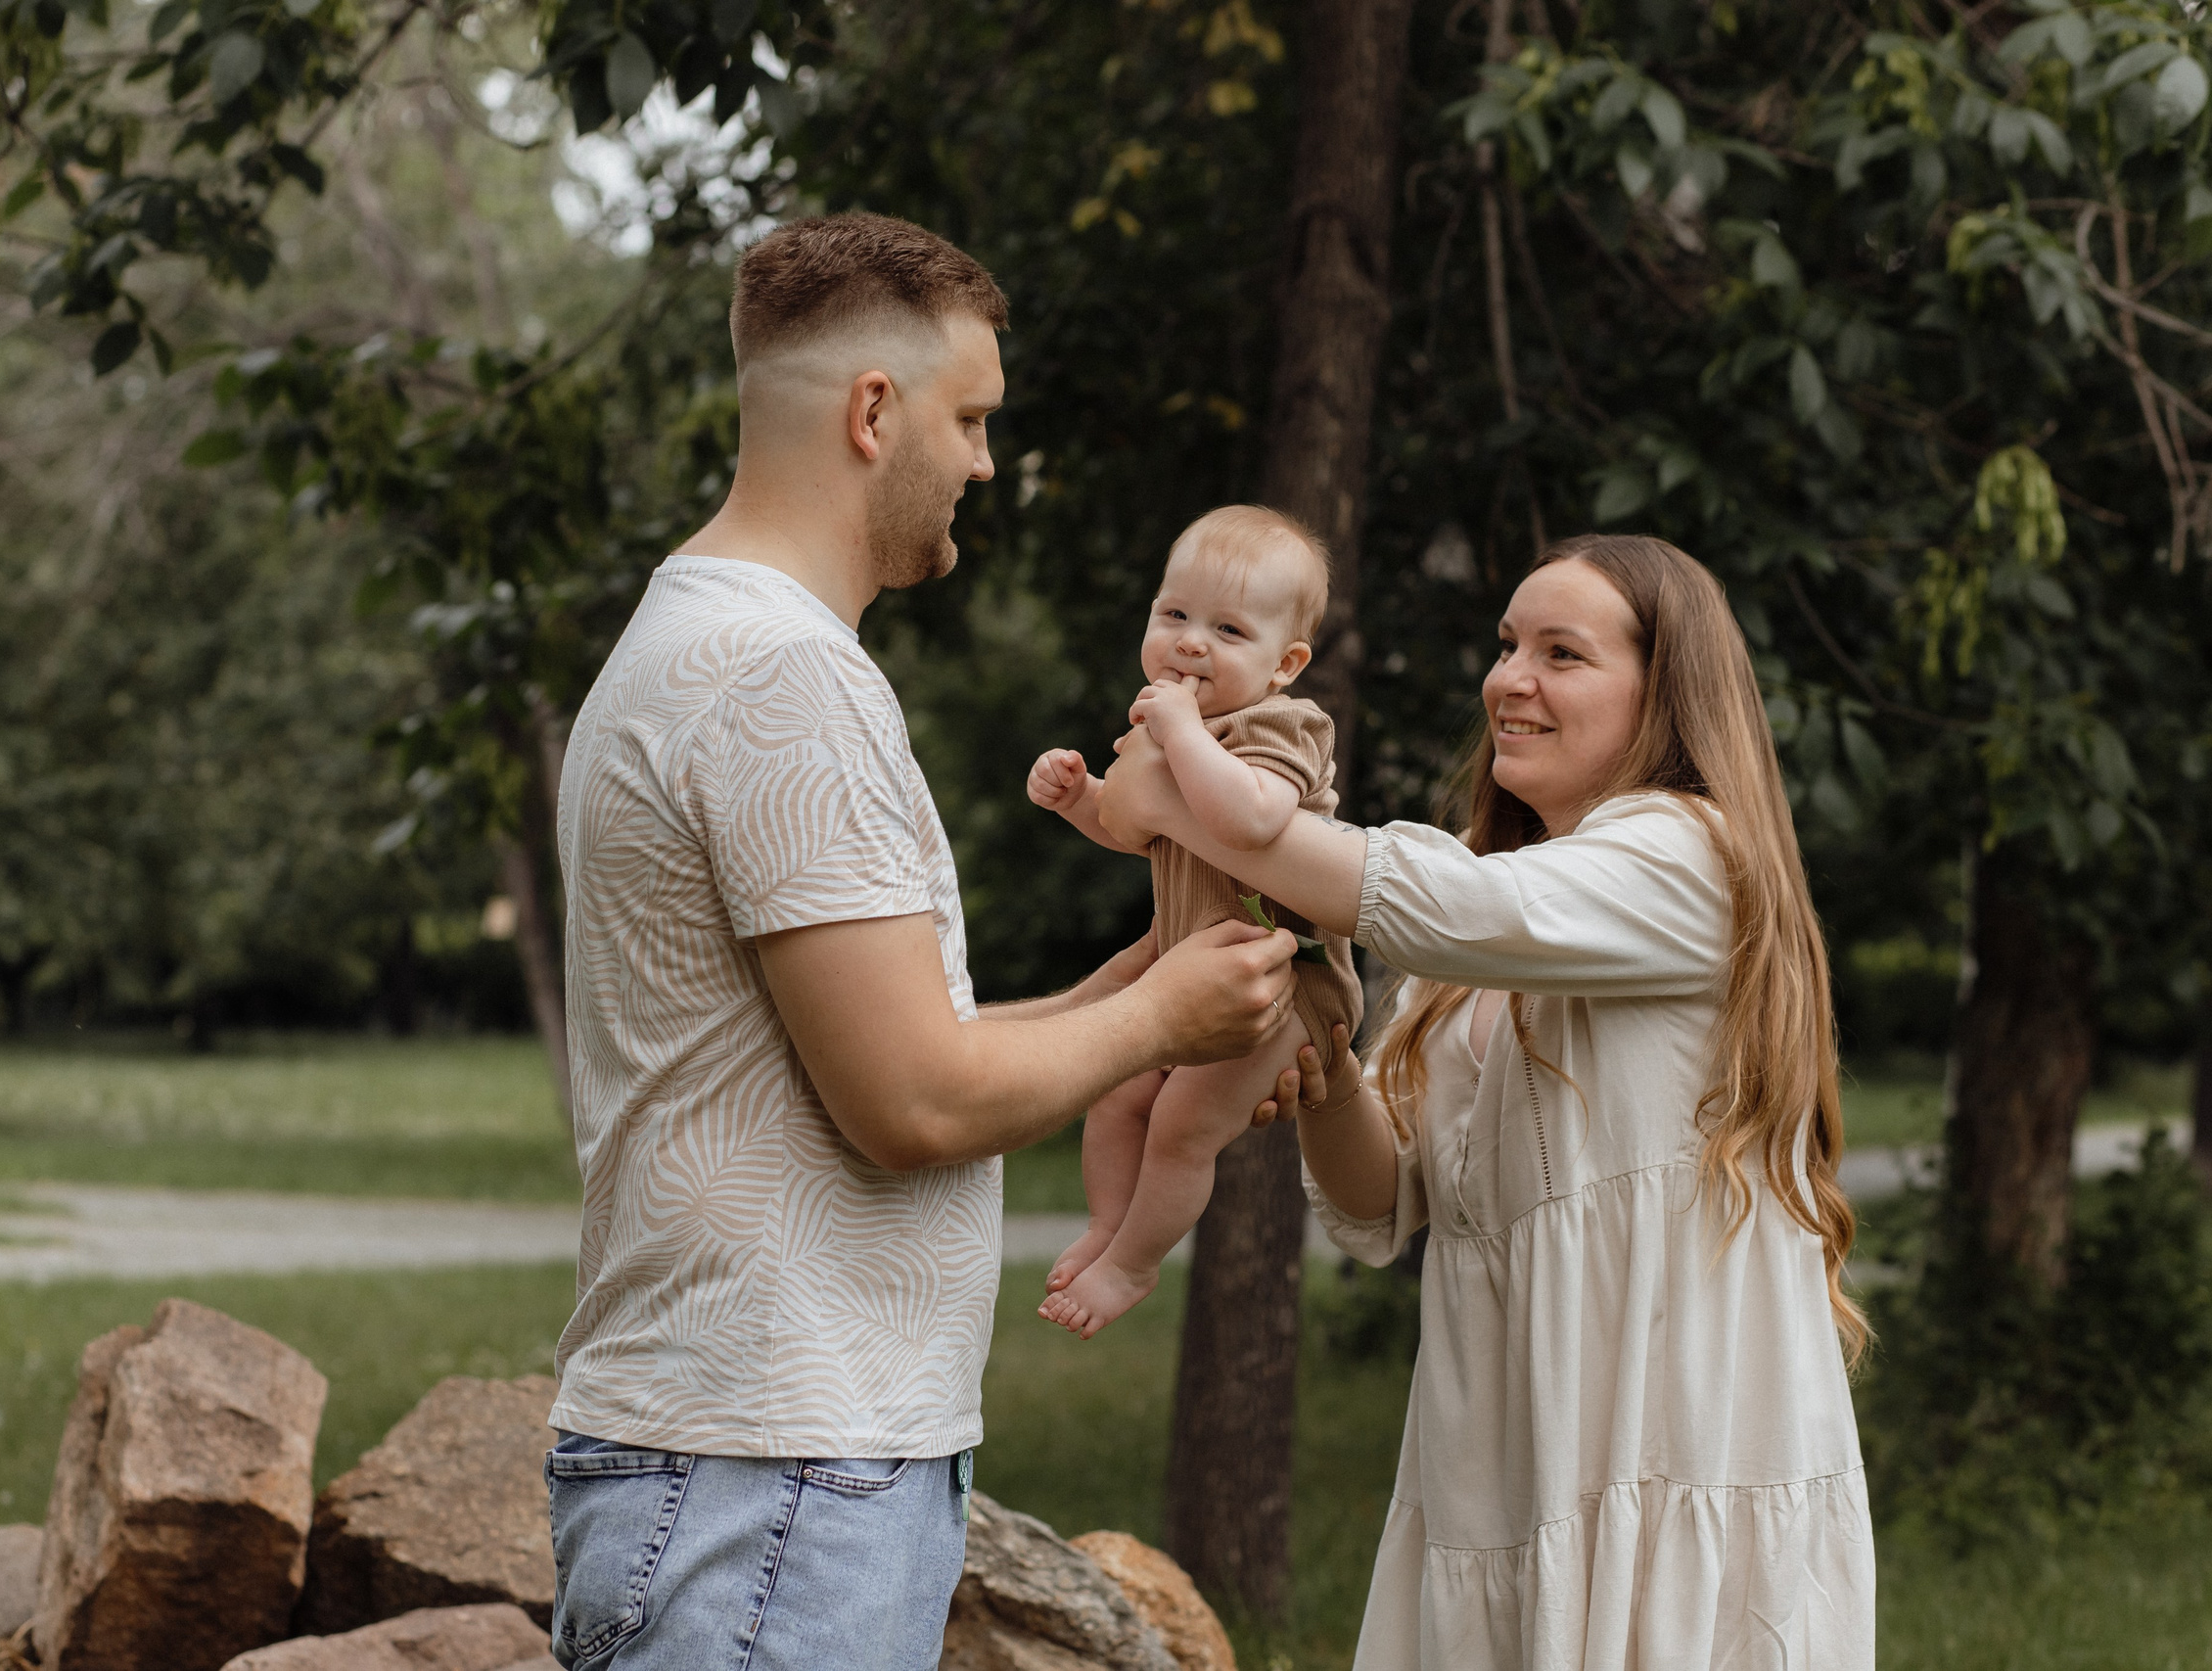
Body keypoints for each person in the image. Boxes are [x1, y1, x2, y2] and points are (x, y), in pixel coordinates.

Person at [543, 212, 1305, 1671]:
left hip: (741, 1470)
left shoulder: (691, 643)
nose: (985, 460)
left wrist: (1144, 986)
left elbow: (877, 1052)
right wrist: (1159, 1030)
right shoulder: (783, 681)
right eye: (969, 417)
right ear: (874, 412)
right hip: (770, 1486)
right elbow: (913, 1103)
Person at [1112, 534, 1876, 1668]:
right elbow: (1388, 1208)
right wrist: (1325, 1076)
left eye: (1561, 654)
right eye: (1508, 643)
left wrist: (1186, 807)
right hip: (1501, 1439)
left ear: (1663, 695)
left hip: (1661, 1431)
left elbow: (1428, 899)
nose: (1508, 678)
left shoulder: (1685, 855)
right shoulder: (1490, 915)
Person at [1025, 505, 1382, 1338]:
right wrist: (1084, 799)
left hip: (1287, 986)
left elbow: (1252, 820)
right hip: (1193, 973)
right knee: (1115, 1093)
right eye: (1174, 614)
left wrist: (1179, 735)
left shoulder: (1281, 726)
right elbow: (1137, 826)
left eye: (1226, 628)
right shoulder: (1169, 725)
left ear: (1285, 662)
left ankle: (1137, 1264)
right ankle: (1110, 1227)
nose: (1190, 642)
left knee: (1183, 1122)